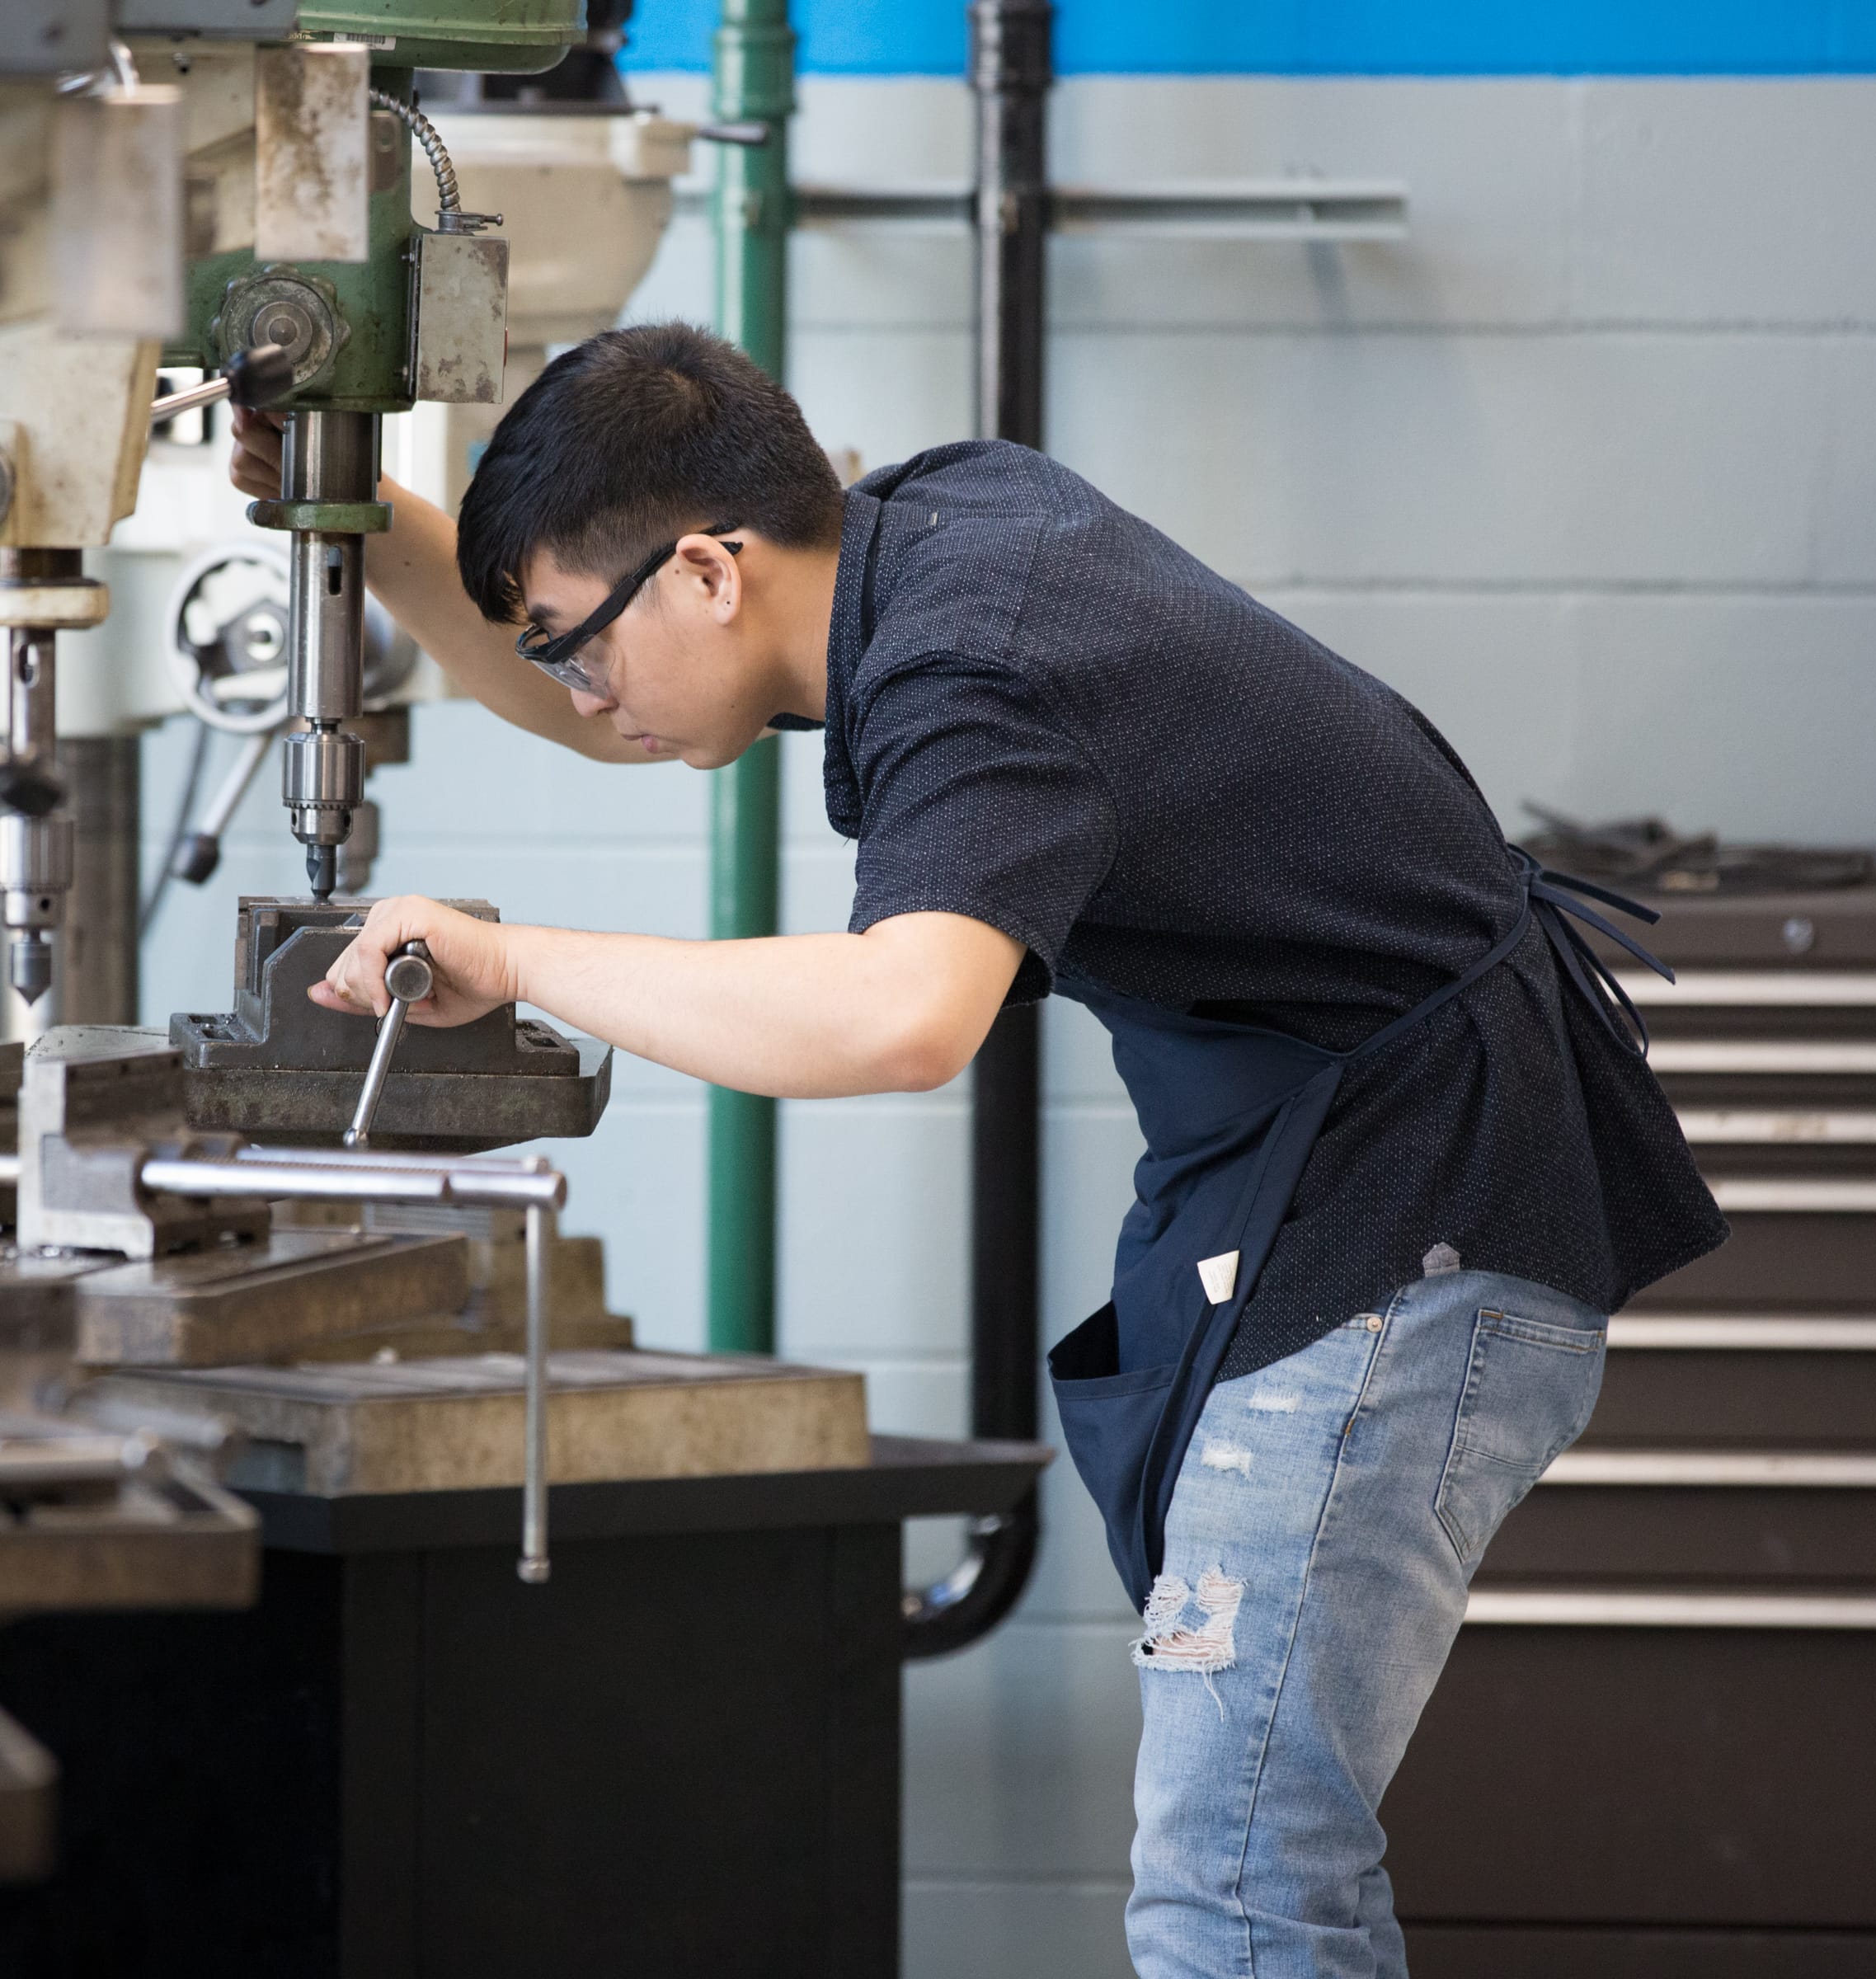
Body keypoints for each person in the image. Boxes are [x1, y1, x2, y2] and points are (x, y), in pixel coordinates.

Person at [228, 321, 1726, 1976]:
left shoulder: (980, 667)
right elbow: (613, 707)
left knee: (1236, 1881)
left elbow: (901, 1018)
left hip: (1413, 1214)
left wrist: (510, 962)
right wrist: (369, 518)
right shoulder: (928, 527)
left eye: (577, 641)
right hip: (1340, 1175)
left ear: (711, 572)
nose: (577, 693)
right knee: (1254, 1863)